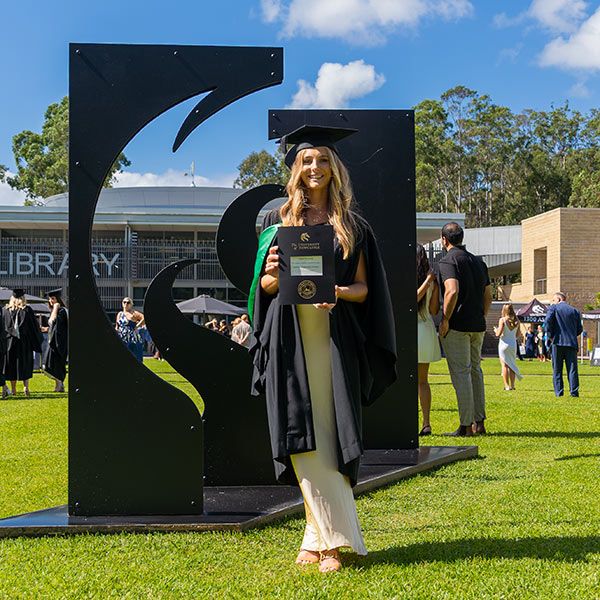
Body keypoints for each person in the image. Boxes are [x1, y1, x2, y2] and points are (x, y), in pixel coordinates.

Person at [249, 125, 396, 573]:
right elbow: (267, 287)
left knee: (331, 434)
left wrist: (336, 289)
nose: (315, 167)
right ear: (296, 169)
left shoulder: (352, 226)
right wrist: (270, 270)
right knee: (299, 434)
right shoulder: (277, 224)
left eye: (323, 160)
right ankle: (327, 539)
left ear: (335, 168)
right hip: (289, 337)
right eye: (306, 160)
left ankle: (320, 541)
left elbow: (364, 289)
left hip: (333, 337)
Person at [438, 222, 492, 436]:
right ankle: (479, 422)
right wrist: (482, 315)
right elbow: (488, 295)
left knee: (461, 373)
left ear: (444, 240)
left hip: (458, 325)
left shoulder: (448, 261)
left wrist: (445, 319)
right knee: (476, 372)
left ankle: (465, 425)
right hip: (477, 325)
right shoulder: (478, 262)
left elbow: (452, 291)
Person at [416, 243, 441, 436]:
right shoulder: (432, 280)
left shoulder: (414, 279)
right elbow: (434, 310)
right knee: (422, 381)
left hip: (415, 329)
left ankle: (424, 423)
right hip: (426, 328)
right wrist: (430, 281)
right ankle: (426, 422)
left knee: (416, 381)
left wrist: (426, 283)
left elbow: (411, 299)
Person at [2, 289, 43, 397]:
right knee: (25, 364)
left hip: (10, 342)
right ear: (23, 298)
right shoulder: (27, 310)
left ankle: (14, 389)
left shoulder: (5, 310)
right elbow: (34, 328)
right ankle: (26, 387)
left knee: (11, 365)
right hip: (24, 343)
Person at [544, 292, 582, 397]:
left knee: (557, 369)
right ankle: (574, 392)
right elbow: (580, 329)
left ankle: (559, 392)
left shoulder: (554, 308)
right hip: (571, 343)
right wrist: (573, 335)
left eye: (553, 300)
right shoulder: (575, 311)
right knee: (572, 369)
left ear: (559, 299)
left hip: (557, 342)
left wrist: (550, 335)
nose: (553, 302)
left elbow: (547, 322)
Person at [41, 288, 68, 392]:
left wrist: (56, 308)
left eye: (53, 298)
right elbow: (54, 327)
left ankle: (59, 385)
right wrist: (46, 329)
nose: (51, 301)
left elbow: (52, 321)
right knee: (52, 364)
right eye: (50, 299)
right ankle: (58, 384)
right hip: (53, 341)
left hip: (60, 343)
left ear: (58, 299)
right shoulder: (57, 311)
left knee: (57, 364)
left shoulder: (61, 311)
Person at [494, 303, 523, 391]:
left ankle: (507, 386)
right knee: (512, 364)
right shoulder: (517, 320)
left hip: (503, 344)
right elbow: (518, 335)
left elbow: (498, 334)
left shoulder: (502, 320)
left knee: (504, 365)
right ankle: (513, 385)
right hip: (513, 344)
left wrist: (496, 330)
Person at [115, 297, 145, 362]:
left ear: (131, 304)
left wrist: (137, 326)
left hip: (132, 338)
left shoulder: (134, 313)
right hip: (122, 337)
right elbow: (117, 325)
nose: (126, 304)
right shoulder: (120, 314)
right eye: (124, 302)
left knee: (134, 357)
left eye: (128, 302)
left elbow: (144, 318)